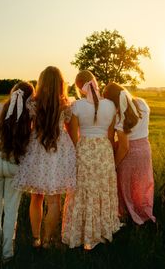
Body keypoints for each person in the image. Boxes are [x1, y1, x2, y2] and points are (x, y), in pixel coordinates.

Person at [14, 66, 76, 248]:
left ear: (41, 82)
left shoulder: (33, 103)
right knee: (54, 199)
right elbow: (73, 133)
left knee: (36, 197)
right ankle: (47, 240)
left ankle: (36, 239)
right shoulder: (66, 103)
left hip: (37, 149)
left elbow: (25, 128)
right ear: (60, 83)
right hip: (58, 151)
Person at [62, 70, 122, 250]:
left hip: (84, 151)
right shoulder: (111, 105)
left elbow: (73, 138)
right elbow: (111, 136)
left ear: (80, 88)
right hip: (104, 151)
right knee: (102, 189)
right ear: (95, 82)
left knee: (82, 190)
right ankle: (102, 231)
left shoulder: (77, 106)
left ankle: (82, 234)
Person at [0, 81, 34, 265]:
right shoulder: (28, 115)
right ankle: (7, 253)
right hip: (14, 162)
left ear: (12, 92)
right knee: (11, 210)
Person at [103, 82, 156, 225]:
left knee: (125, 186)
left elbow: (124, 147)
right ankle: (144, 213)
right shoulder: (142, 103)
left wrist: (114, 164)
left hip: (129, 153)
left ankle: (128, 217)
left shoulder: (121, 116)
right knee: (142, 184)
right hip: (145, 149)